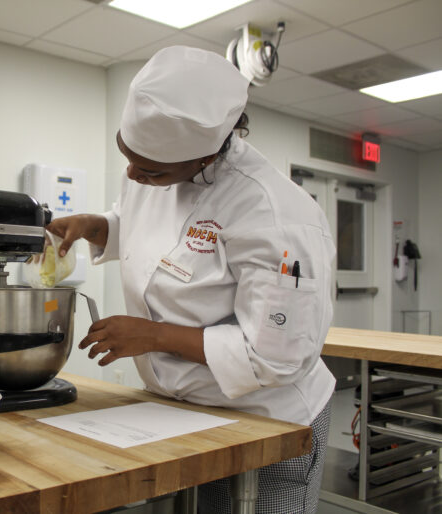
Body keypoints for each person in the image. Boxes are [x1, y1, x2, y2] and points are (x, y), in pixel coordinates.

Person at [47, 46, 336, 514]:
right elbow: (145, 226)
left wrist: (153, 336)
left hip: (268, 421)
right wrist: (96, 226)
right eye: (126, 155)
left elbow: (273, 356)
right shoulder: (152, 171)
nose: (132, 175)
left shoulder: (276, 215)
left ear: (205, 156)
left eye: (149, 170)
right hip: (181, 413)